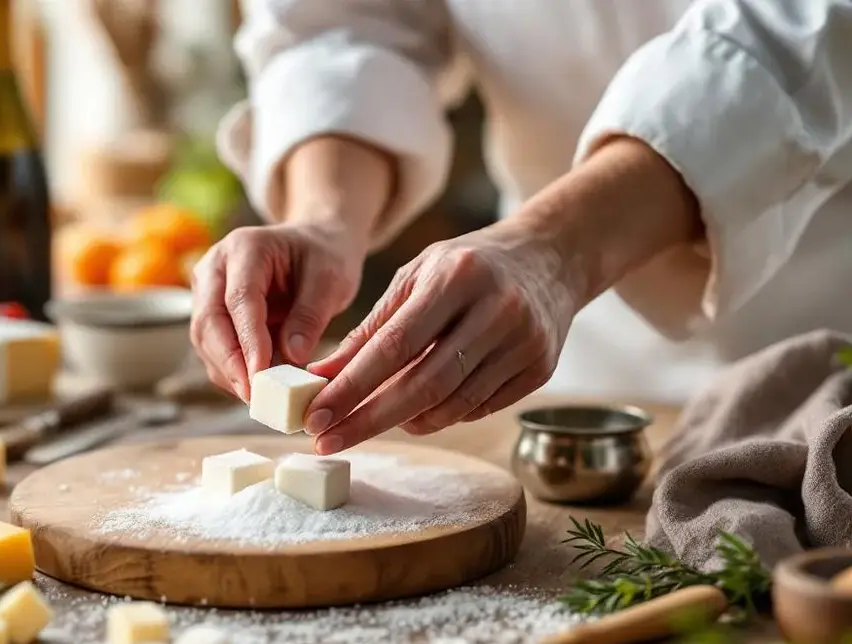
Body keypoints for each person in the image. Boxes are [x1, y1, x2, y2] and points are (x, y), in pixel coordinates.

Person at [189, 0, 852, 456]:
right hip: (560, 370)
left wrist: (558, 251)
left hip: (818, 348)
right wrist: (325, 218)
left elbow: (807, 29)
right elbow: (346, 24)